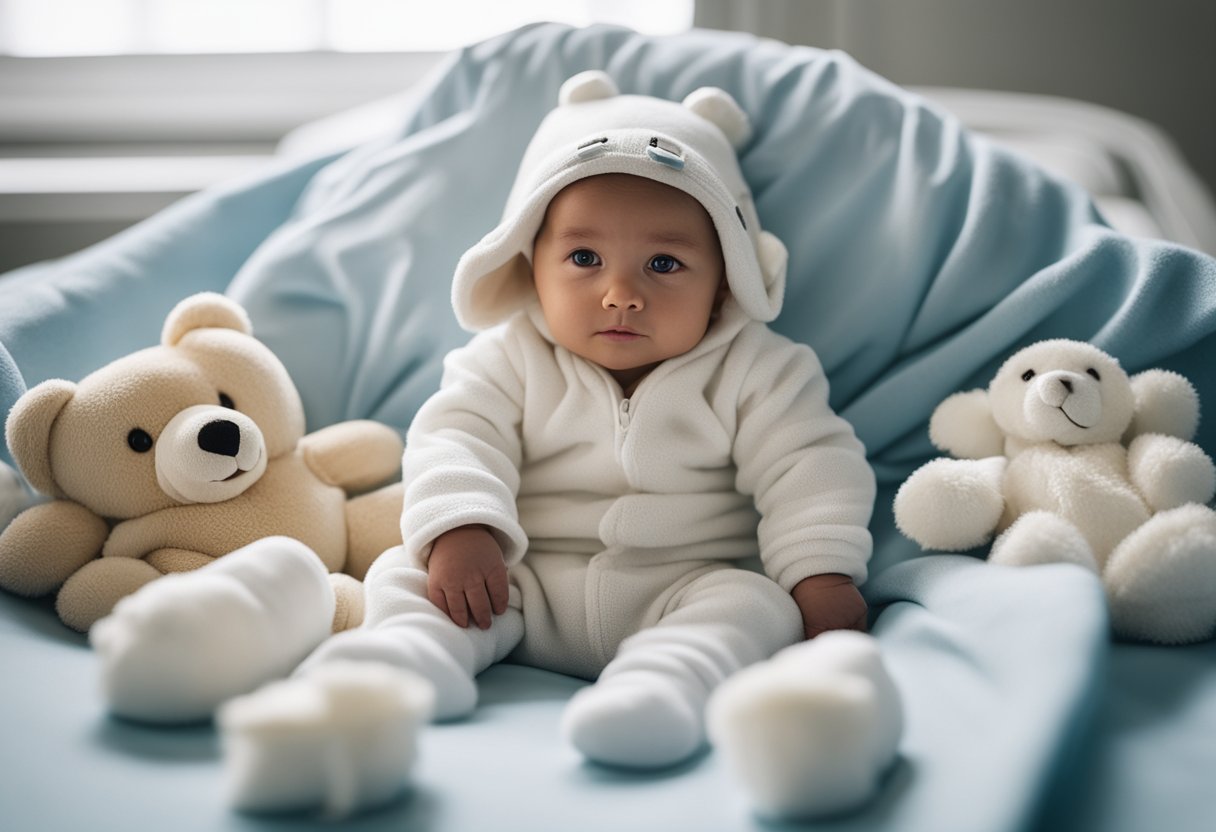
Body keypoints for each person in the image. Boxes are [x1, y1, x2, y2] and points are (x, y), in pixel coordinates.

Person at [215, 70, 899, 816]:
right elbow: (454, 435)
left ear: (727, 281)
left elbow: (811, 466)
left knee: (754, 608)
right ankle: (407, 660)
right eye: (583, 259)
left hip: (683, 583)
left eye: (664, 265)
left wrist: (821, 574)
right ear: (527, 263)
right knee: (404, 573)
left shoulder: (759, 369)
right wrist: (462, 527)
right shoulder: (506, 357)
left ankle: (662, 687)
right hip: (514, 582)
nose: (620, 294)